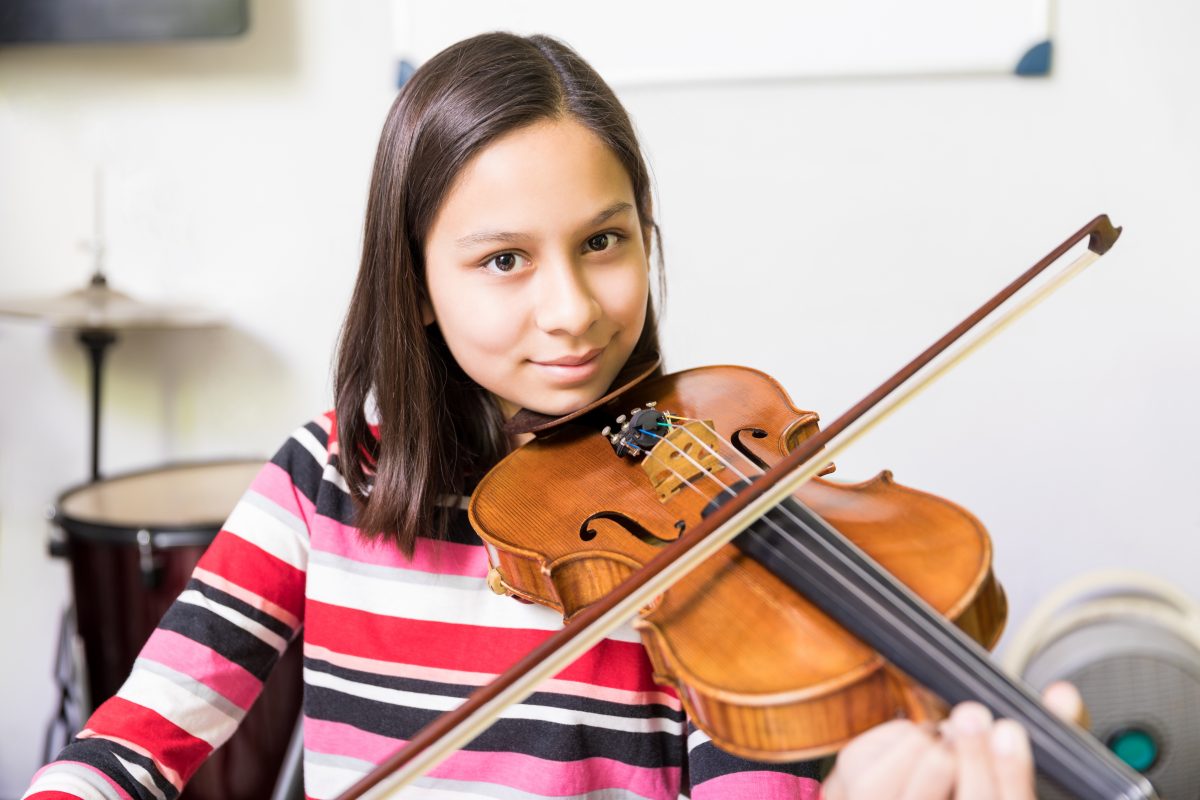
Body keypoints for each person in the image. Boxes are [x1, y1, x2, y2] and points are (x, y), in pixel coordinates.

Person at [23, 32, 1052, 800]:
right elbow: (132, 742)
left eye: (604, 241)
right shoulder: (322, 481)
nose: (572, 310)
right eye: (504, 258)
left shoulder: (707, 532)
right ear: (417, 280)